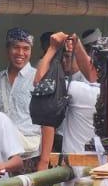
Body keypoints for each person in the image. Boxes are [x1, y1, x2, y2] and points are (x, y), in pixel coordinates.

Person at [33, 31, 102, 167]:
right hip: (101, 165)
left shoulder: (81, 91)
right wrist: (76, 44)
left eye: (68, 57)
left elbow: (40, 82)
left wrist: (52, 49)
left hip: (75, 167)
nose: (64, 61)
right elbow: (91, 73)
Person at [0, 27, 39, 153]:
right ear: (7, 50)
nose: (21, 53)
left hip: (31, 151)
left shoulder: (38, 79)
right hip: (1, 150)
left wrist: (44, 159)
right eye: (16, 47)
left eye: (26, 48)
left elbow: (48, 123)